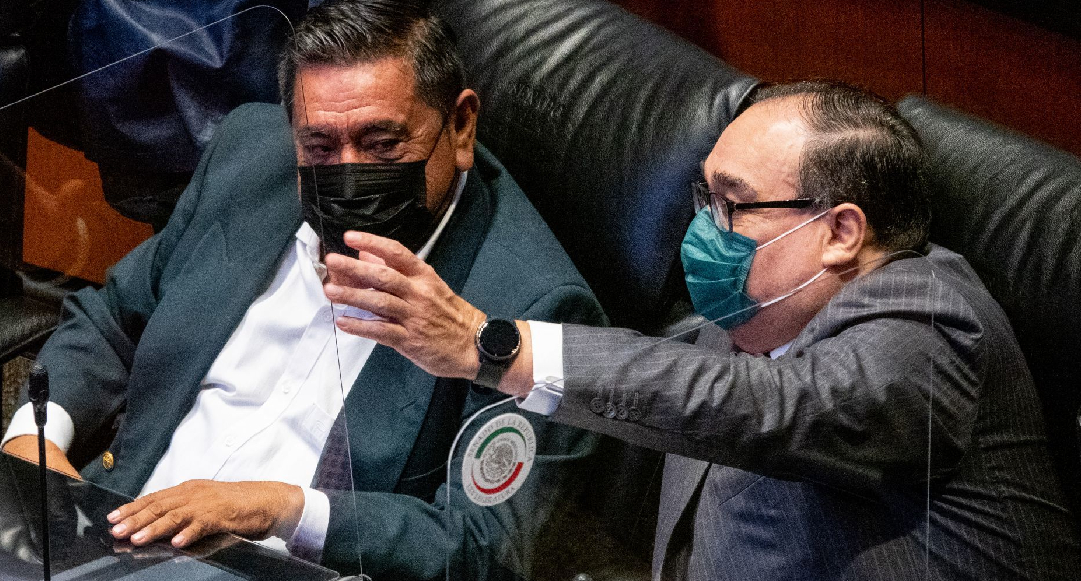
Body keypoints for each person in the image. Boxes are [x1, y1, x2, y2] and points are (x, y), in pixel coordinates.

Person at [321, 81, 1081, 579]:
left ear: (840, 231)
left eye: (731, 204)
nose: (701, 230)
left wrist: (491, 345)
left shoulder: (932, 318)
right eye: (702, 197)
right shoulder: (740, 323)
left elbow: (770, 407)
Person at [1, 2, 606, 579]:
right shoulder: (249, 156)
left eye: (382, 144)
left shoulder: (534, 313)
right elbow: (113, 316)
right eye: (320, 147)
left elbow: (482, 550)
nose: (348, 172)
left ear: (461, 126)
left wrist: (284, 509)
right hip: (113, 530)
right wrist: (36, 432)